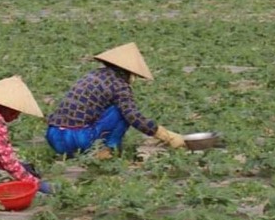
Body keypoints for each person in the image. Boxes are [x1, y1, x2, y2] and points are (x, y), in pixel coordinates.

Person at [45, 43, 186, 158]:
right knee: (121, 112)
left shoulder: (92, 75)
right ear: (129, 72)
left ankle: (75, 153)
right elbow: (133, 116)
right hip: (78, 139)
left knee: (109, 110)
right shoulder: (119, 85)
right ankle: (106, 150)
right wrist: (164, 134)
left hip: (54, 136)